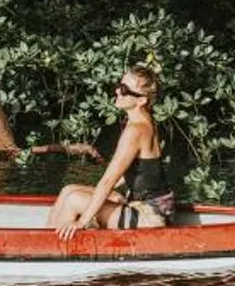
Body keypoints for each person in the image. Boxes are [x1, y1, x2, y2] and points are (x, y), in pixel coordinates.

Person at [49, 63, 175, 238]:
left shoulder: (135, 130)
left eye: (124, 89)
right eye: (119, 85)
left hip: (150, 218)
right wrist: (96, 197)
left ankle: (48, 247)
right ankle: (46, 237)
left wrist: (81, 221)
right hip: (150, 208)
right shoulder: (146, 120)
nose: (117, 91)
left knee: (74, 199)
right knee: (69, 189)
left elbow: (108, 181)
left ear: (141, 100)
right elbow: (139, 170)